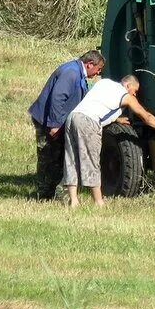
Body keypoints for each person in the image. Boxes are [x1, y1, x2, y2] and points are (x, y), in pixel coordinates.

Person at [62, 74, 155, 207]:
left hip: (73, 117)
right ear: (128, 85)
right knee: (92, 161)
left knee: (72, 159)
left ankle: (73, 200)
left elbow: (98, 103)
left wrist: (116, 119)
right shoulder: (126, 96)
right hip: (88, 122)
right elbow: (146, 117)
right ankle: (98, 202)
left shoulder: (104, 83)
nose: (135, 95)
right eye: (135, 91)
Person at [28, 50, 105, 200]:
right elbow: (57, 98)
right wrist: (55, 124)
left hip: (55, 121)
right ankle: (43, 195)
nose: (98, 73)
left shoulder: (77, 72)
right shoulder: (71, 73)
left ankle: (52, 194)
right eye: (98, 69)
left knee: (58, 157)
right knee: (48, 158)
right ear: (90, 64)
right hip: (48, 122)